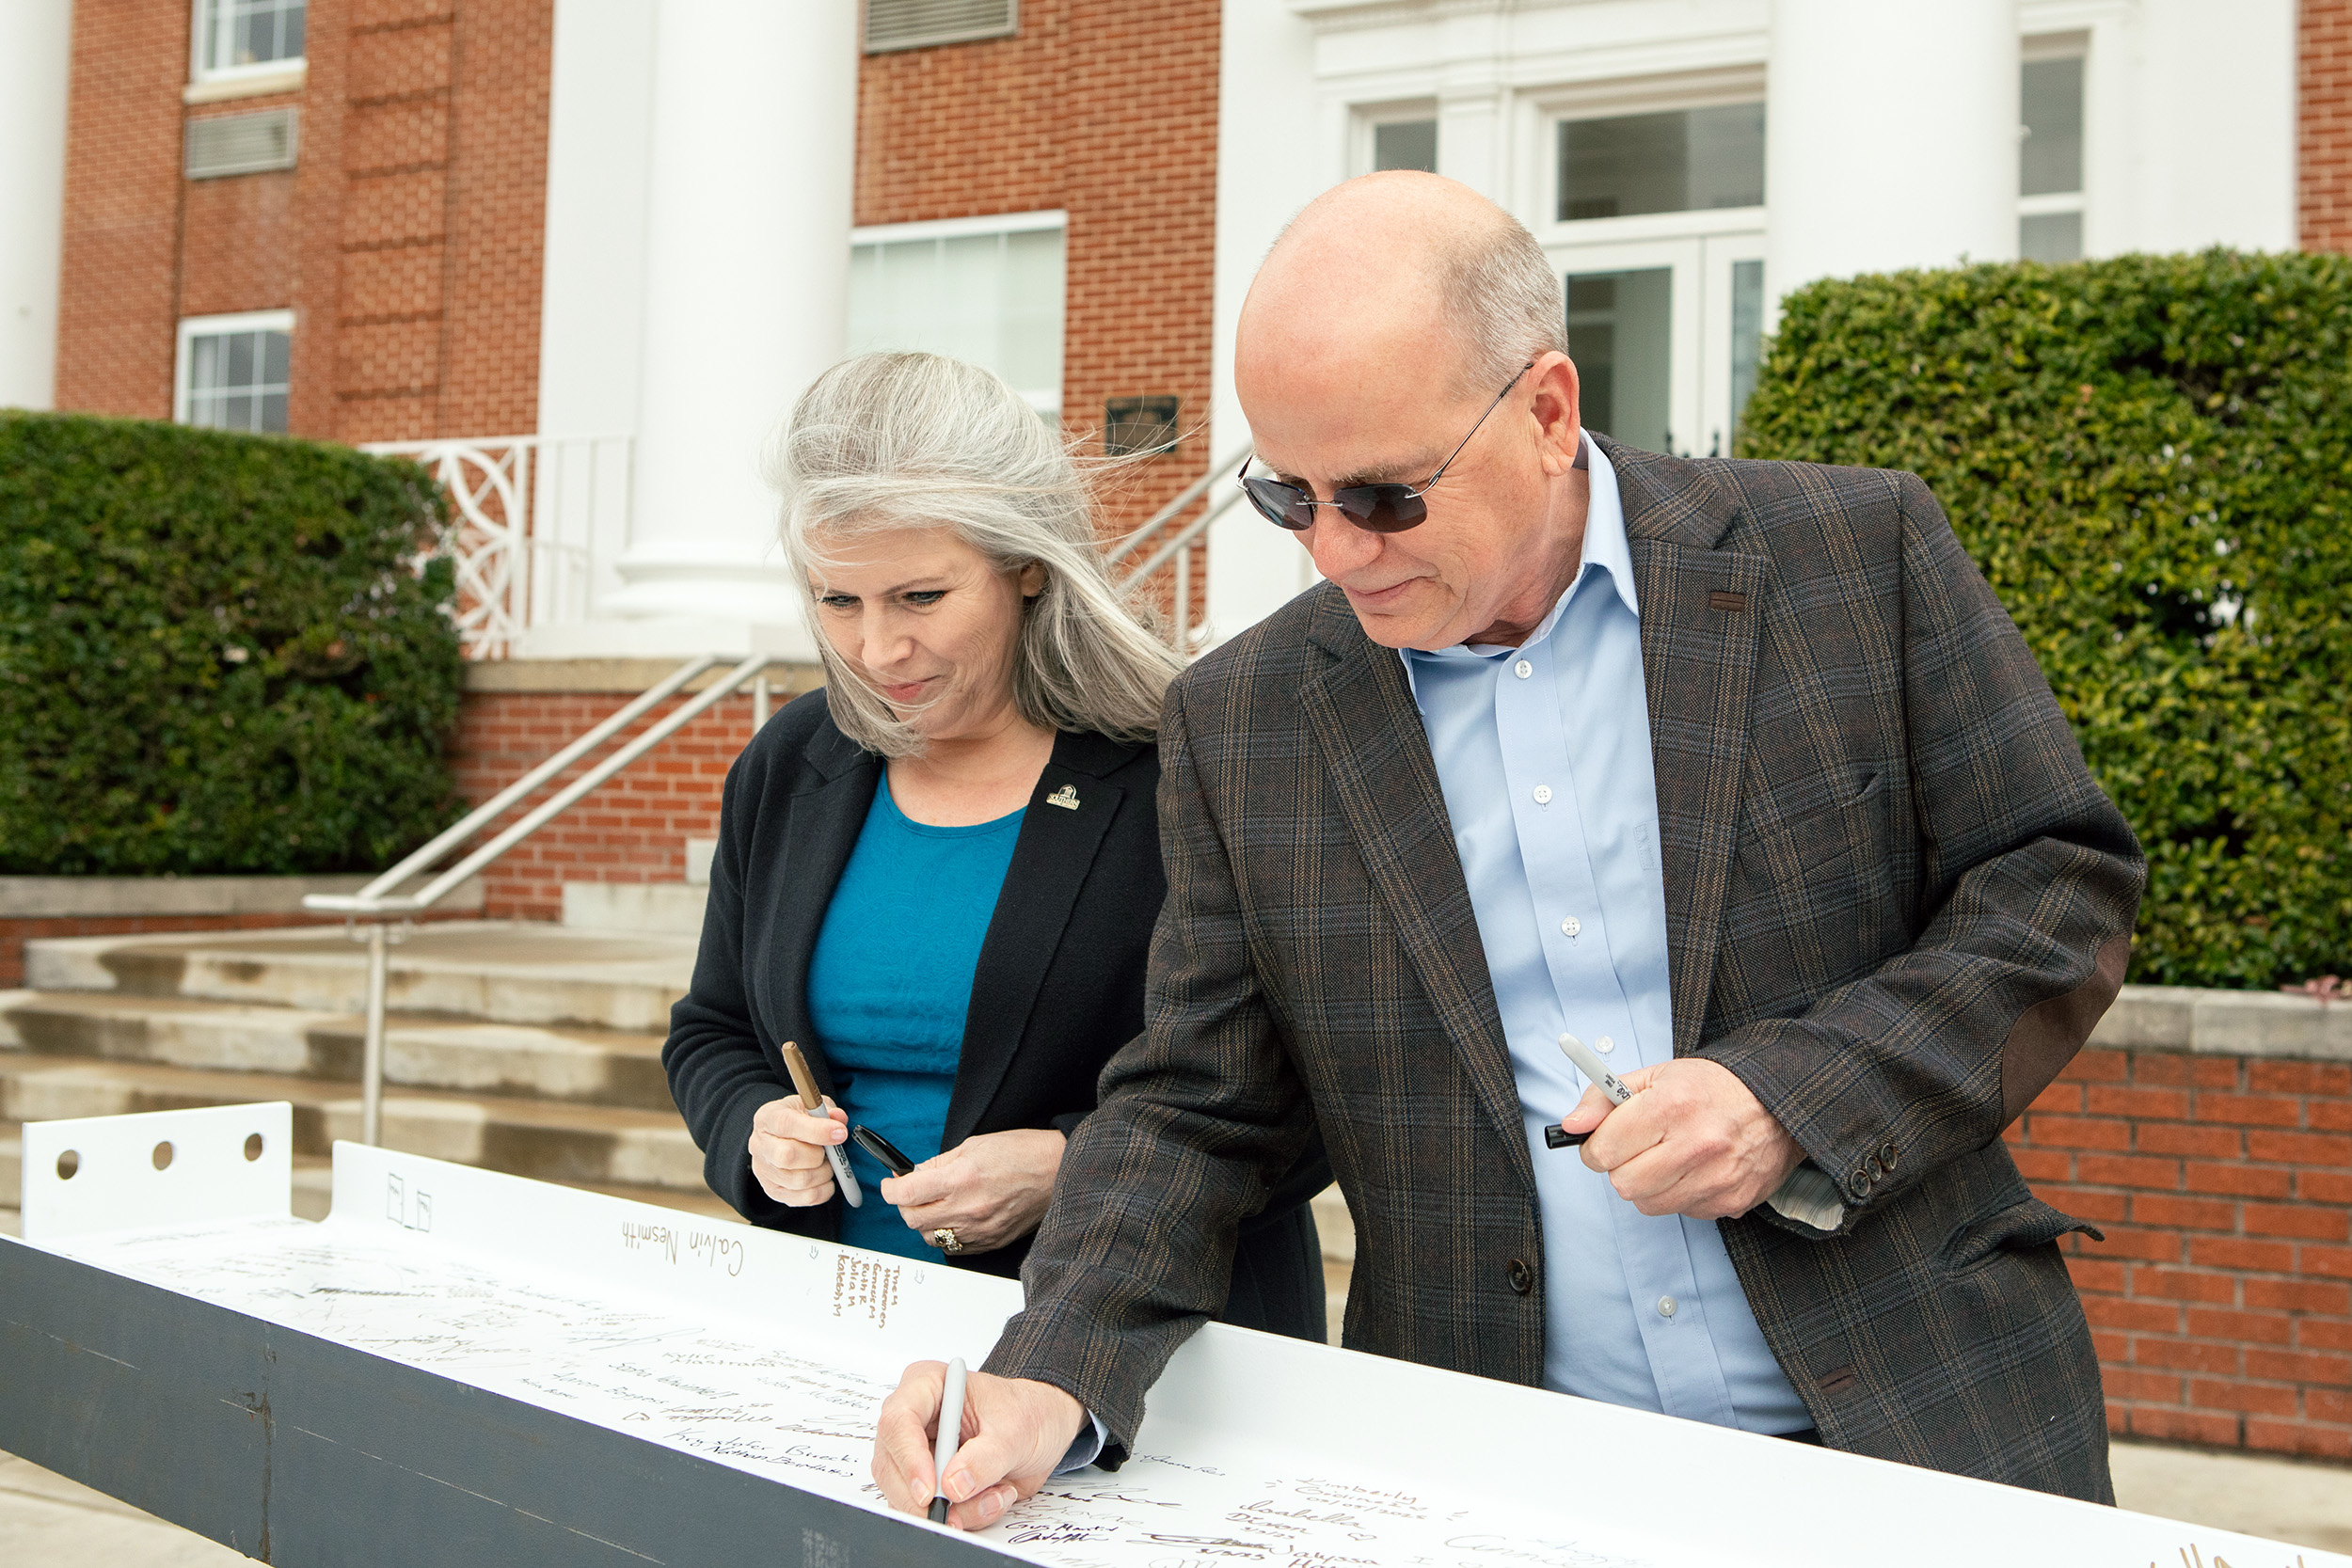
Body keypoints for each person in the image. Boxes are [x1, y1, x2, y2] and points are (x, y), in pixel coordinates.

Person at [871, 172, 2146, 1532]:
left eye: (1381, 494)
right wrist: (1052, 1363)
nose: (1335, 551)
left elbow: (2055, 886)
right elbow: (1200, 1100)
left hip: (1920, 1424)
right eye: (1283, 496)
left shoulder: (1851, 553)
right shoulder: (1241, 717)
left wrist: (1793, 1099)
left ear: (1546, 410)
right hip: (1494, 1471)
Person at [660, 352, 1327, 1335]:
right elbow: (712, 1030)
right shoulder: (794, 760)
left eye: (920, 597)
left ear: (1026, 564)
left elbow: (1316, 1090)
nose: (877, 650)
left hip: (1141, 1348)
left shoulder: (1187, 764)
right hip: (836, 1333)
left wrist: (1072, 1164)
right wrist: (751, 1131)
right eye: (838, 601)